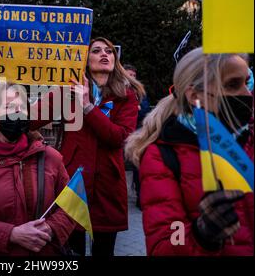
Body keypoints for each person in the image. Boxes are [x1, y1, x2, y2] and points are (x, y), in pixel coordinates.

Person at [125, 48, 254, 255]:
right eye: (232, 85)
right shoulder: (162, 156)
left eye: (246, 83)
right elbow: (163, 245)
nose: (247, 94)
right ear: (195, 96)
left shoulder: (249, 139)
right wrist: (203, 232)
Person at [32, 37, 145, 256]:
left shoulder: (126, 96)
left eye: (109, 51)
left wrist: (87, 106)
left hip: (108, 185)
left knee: (104, 251)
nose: (105, 54)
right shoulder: (67, 90)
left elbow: (118, 137)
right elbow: (30, 120)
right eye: (96, 50)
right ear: (85, 59)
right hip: (73, 181)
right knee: (71, 251)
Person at [0, 83, 76, 256]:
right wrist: (11, 234)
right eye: (9, 107)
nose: (17, 112)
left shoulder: (51, 157)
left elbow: (71, 205)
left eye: (22, 107)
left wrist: (50, 229)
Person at [123, 63, 151, 209]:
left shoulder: (140, 91)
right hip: (121, 133)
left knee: (138, 165)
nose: (132, 78)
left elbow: (145, 110)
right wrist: (135, 107)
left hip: (137, 133)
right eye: (129, 75)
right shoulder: (116, 90)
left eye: (134, 75)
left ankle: (141, 198)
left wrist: (134, 108)